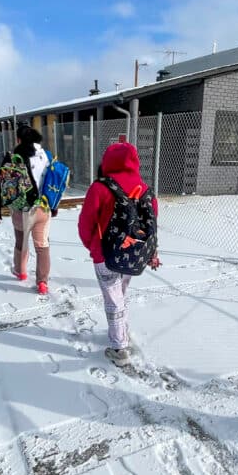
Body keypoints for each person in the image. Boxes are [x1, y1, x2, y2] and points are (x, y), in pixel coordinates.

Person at [78, 138, 160, 366]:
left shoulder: (100, 187)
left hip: (106, 255)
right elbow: (153, 221)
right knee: (121, 294)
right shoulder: (145, 188)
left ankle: (119, 348)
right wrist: (150, 251)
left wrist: (93, 246)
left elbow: (85, 224)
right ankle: (122, 332)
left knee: (113, 299)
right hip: (135, 253)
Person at [0, 125, 55, 294]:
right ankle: (42, 282)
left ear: (18, 139)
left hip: (20, 209)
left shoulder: (12, 158)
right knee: (42, 245)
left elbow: (1, 183)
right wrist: (53, 205)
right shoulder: (46, 156)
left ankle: (21, 272)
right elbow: (52, 182)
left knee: (21, 241)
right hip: (42, 207)